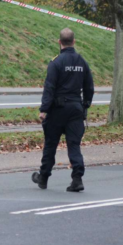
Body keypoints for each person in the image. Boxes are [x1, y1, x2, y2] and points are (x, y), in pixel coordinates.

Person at [32, 28, 94, 192]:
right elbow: (89, 86)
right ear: (74, 42)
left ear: (59, 42)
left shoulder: (56, 62)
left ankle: (43, 178)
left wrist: (44, 110)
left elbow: (49, 88)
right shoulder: (82, 62)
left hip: (57, 110)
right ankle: (77, 178)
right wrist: (85, 104)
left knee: (51, 144)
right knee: (74, 145)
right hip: (75, 109)